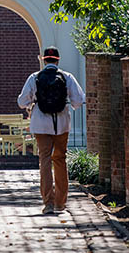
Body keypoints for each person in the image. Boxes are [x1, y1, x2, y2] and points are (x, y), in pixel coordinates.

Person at [18, 46, 85, 214]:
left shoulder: (35, 77)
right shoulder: (66, 77)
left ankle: (48, 202)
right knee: (60, 159)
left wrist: (30, 104)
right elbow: (79, 100)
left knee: (45, 161)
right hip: (62, 123)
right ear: (58, 60)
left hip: (41, 123)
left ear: (43, 60)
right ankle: (61, 203)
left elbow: (21, 101)